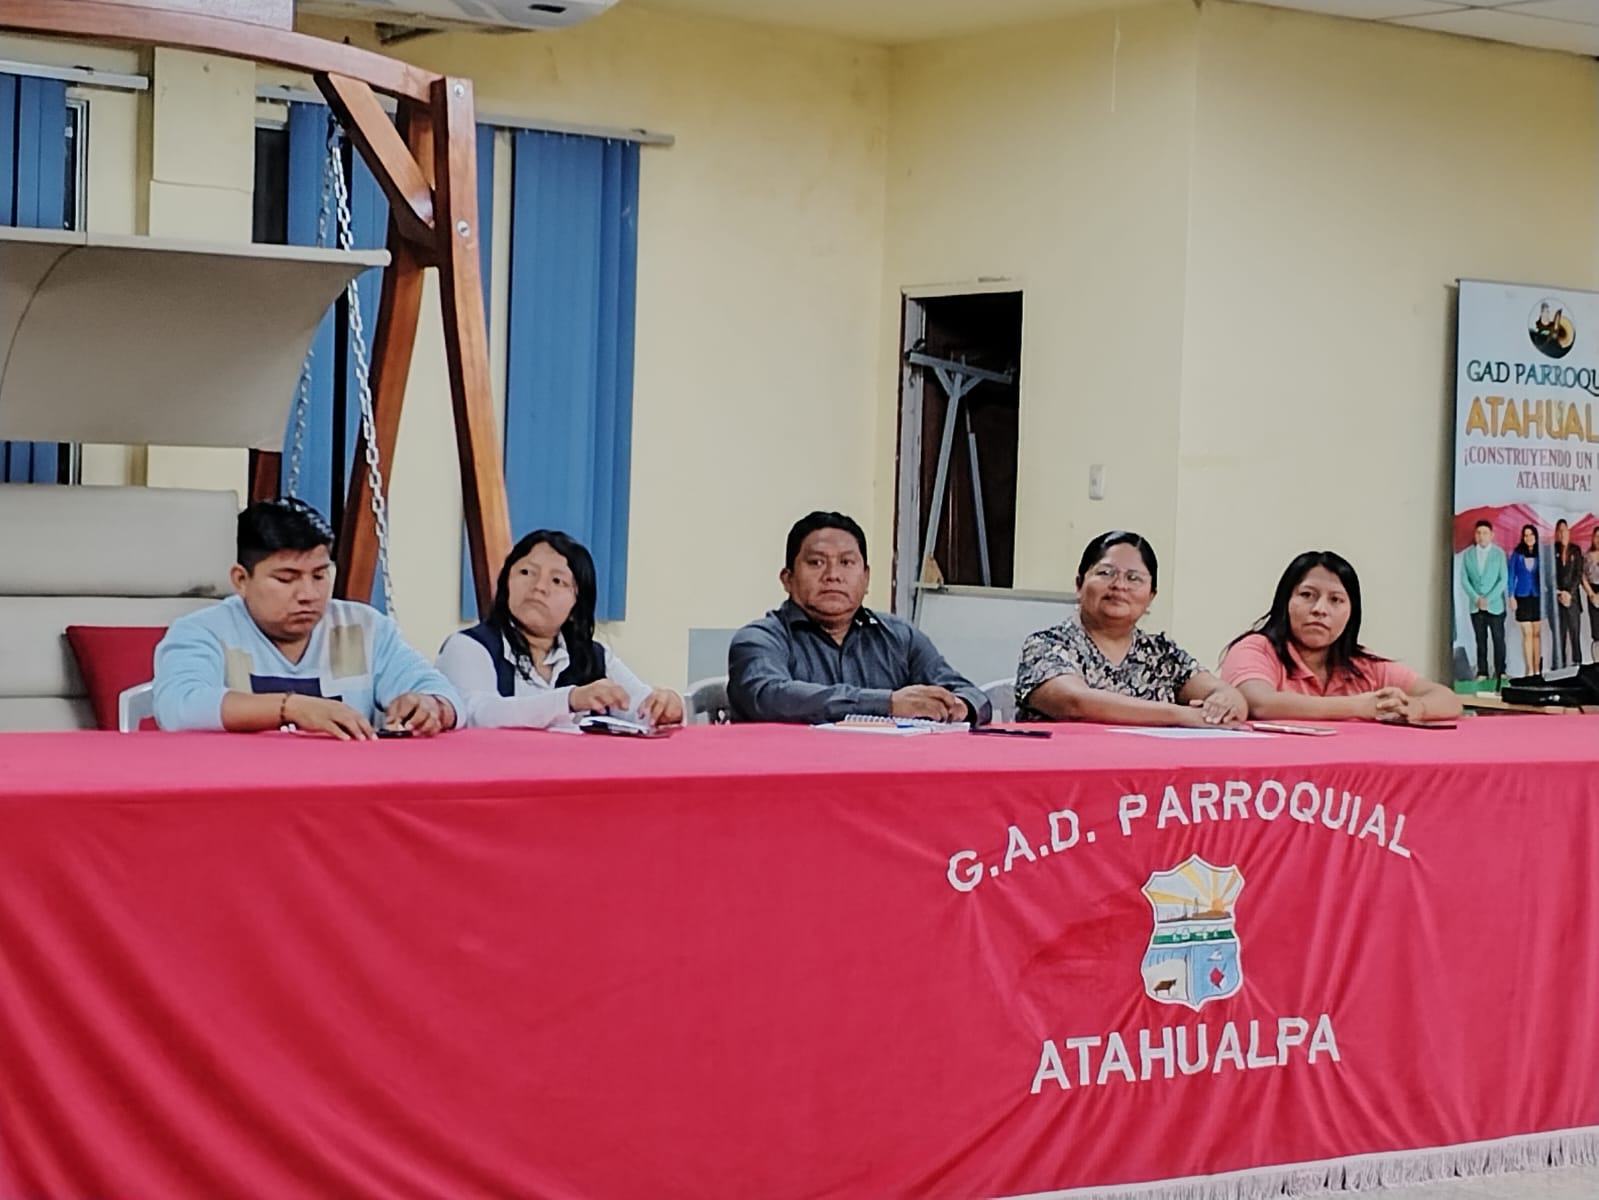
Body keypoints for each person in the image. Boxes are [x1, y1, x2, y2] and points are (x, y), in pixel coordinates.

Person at [153, 498, 460, 739]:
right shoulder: (203, 631)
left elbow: (445, 695)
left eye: (319, 575)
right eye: (286, 579)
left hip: (343, 785)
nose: (308, 594)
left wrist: (430, 706)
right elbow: (179, 707)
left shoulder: (363, 629)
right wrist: (293, 708)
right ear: (241, 579)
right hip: (239, 784)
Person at [727, 511, 989, 724]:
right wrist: (887, 704)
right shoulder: (760, 639)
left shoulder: (900, 637)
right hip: (792, 768)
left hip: (884, 768)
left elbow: (973, 695)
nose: (833, 575)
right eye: (816, 562)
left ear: (866, 578)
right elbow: (768, 696)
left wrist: (959, 706)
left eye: (846, 563)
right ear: (787, 578)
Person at [436, 529, 682, 729]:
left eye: (557, 580)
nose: (539, 587)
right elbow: (476, 714)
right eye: (526, 572)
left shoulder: (593, 656)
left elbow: (638, 707)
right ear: (506, 582)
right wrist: (569, 700)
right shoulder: (469, 647)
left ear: (577, 605)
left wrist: (666, 707)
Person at [1015, 530, 1245, 725]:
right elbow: (1075, 703)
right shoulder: (1048, 645)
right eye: (1106, 573)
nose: (1119, 586)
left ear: (1151, 595)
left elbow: (1231, 696)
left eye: (1134, 578)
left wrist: (1222, 703)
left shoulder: (1160, 654)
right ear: (1079, 584)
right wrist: (1181, 715)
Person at [1219, 550, 1461, 722]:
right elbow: (1260, 704)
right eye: (1307, 595)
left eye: (1335, 600)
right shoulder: (1256, 649)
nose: (1319, 609)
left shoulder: (1362, 666)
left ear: (1351, 613)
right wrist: (1358, 707)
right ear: (1285, 601)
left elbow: (1448, 699)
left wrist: (1415, 708)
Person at [1458, 519, 1507, 686]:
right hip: (1475, 606)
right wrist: (1475, 598)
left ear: (1491, 535)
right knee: (1480, 640)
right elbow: (1464, 579)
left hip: (1495, 605)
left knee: (1498, 639)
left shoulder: (1499, 554)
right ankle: (1482, 671)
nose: (1481, 536)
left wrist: (1488, 599)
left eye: (1485, 533)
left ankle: (1501, 670)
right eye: (1478, 533)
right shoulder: (1468, 554)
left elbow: (1503, 579)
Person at [1509, 523, 1542, 674]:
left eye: (1531, 535)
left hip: (1537, 596)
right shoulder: (1517, 553)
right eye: (1526, 535)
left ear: (1535, 536)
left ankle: (1537, 669)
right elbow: (1511, 575)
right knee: (1527, 633)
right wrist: (1511, 595)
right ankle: (1529, 669)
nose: (1528, 538)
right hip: (1522, 596)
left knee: (1536, 633)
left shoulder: (1541, 553)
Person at [1553, 518, 1583, 667]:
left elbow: (1578, 574)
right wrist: (1559, 593)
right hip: (1557, 600)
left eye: (1564, 530)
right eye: (1559, 531)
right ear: (1556, 533)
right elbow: (1550, 574)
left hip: (1573, 599)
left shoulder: (1575, 550)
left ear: (1568, 532)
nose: (1562, 533)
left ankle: (1578, 664)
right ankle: (1560, 667)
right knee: (1560, 636)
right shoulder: (1552, 550)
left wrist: (1569, 593)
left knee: (1575, 634)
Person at [1584, 528, 1599, 663]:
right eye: (1596, 536)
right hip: (1592, 592)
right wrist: (1591, 593)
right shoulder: (1587, 556)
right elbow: (1582, 576)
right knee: (1596, 630)